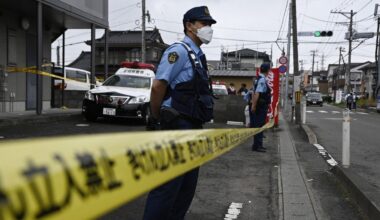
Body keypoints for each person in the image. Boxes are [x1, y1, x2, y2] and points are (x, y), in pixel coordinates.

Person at [144, 6, 216, 220]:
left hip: (192, 127)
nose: (209, 28)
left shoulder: (197, 55)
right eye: (204, 24)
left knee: (186, 187)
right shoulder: (179, 51)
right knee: (167, 186)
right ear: (189, 26)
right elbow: (158, 86)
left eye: (210, 24)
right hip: (176, 126)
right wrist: (155, 118)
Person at [250, 63, 272, 152]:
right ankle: (257, 146)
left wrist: (253, 104)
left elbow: (253, 92)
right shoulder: (262, 80)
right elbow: (257, 93)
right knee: (259, 126)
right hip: (260, 106)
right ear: (268, 71)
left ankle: (256, 145)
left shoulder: (257, 78)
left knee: (257, 125)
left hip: (259, 106)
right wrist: (254, 106)